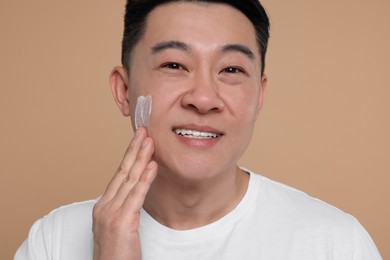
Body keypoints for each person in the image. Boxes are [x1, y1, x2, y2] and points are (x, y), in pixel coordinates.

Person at [15, 0, 382, 259]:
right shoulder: (55, 240)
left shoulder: (334, 243)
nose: (204, 98)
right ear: (124, 90)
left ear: (259, 95)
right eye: (174, 64)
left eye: (232, 70)